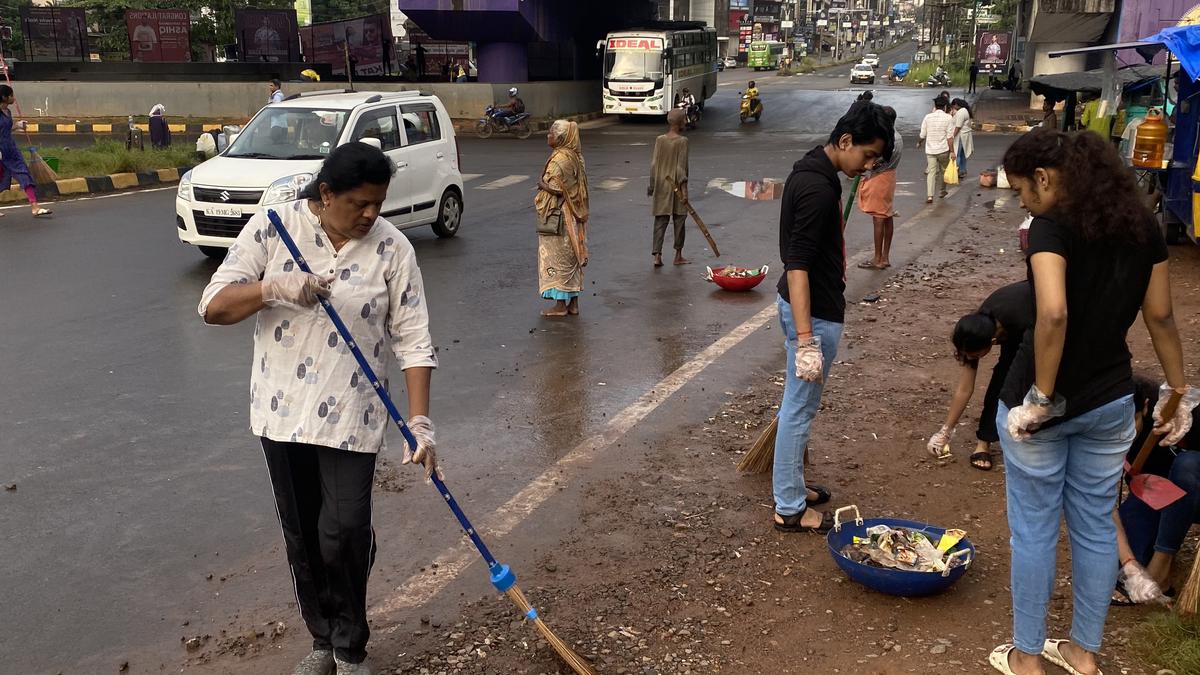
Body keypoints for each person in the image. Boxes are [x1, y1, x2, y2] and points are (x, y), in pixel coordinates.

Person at [198, 142, 440, 675]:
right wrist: (272, 287)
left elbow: (414, 338)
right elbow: (213, 307)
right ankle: (323, 640)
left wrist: (419, 421)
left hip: (354, 415)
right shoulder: (272, 229)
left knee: (346, 530)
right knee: (304, 535)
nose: (371, 214)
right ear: (325, 194)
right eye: (359, 204)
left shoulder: (393, 250)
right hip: (281, 414)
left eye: (378, 203)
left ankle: (351, 647)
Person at [989, 128, 1196, 675]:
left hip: (1045, 404)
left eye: (1022, 192)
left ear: (1045, 177)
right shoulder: (1141, 227)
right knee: (1095, 525)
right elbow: (1161, 317)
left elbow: (1053, 313)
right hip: (1110, 403)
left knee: (1034, 529)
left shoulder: (1051, 227)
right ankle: (1082, 654)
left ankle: (1028, 658)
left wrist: (1042, 397)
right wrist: (1179, 391)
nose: (1023, 203)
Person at [772, 102, 893, 534]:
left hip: (810, 308)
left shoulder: (811, 172)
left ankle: (792, 484)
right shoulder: (819, 190)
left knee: (797, 408)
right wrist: (806, 340)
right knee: (798, 411)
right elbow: (798, 264)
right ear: (845, 141)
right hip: (813, 314)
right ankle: (788, 506)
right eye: (867, 155)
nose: (869, 165)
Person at [927, 282, 1034, 470]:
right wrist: (945, 431)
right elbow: (965, 388)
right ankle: (983, 442)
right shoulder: (974, 330)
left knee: (1021, 378)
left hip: (1036, 321)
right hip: (1012, 324)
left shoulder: (1019, 318)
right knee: (1000, 383)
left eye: (975, 356)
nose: (970, 359)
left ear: (993, 342)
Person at [1112, 376, 1200, 604]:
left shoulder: (1184, 415)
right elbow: (1100, 502)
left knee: (1187, 465)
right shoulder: (1103, 436)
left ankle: (1162, 562)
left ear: (1146, 406)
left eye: (1129, 423)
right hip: (1154, 494)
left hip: (1194, 492)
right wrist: (1130, 564)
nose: (1122, 435)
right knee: (1115, 574)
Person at [535, 120, 590, 317]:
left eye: (550, 133)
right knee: (573, 257)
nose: (547, 136)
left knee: (557, 258)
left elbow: (557, 188)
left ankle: (560, 305)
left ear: (560, 138)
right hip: (575, 214)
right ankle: (573, 304)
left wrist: (542, 184)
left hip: (561, 215)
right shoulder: (576, 156)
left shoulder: (560, 159)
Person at [856, 105, 902, 270]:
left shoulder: (888, 140)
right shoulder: (897, 137)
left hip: (879, 178)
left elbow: (873, 163)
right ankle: (885, 256)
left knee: (879, 219)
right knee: (886, 215)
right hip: (888, 177)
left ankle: (878, 258)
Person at [648, 109, 691, 267]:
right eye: (684, 120)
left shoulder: (660, 140)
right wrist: (684, 191)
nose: (686, 122)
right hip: (677, 187)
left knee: (660, 221)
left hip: (661, 185)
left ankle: (657, 256)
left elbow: (654, 164)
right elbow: (681, 168)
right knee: (680, 219)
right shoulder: (682, 141)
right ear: (679, 123)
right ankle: (678, 255)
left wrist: (652, 185)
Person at [0, 85, 50, 218]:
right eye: (11, 95)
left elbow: (6, 130)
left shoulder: (8, 112)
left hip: (11, 150)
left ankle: (35, 207)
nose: (14, 98)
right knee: (1, 180)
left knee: (24, 174)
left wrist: (17, 126)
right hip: (1, 152)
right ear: (5, 98)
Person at [918, 95, 954, 204]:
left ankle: (930, 196)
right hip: (943, 150)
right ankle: (942, 191)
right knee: (944, 171)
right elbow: (949, 137)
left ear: (935, 106)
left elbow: (922, 135)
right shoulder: (948, 118)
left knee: (931, 173)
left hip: (930, 150)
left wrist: (919, 143)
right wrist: (952, 151)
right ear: (945, 107)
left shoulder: (927, 117)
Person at [950, 98, 974, 179]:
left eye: (953, 106)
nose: (953, 108)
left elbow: (958, 126)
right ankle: (963, 170)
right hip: (966, 135)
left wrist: (953, 136)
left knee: (958, 154)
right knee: (963, 154)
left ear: (956, 105)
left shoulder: (961, 112)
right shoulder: (965, 110)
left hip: (961, 136)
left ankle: (957, 170)